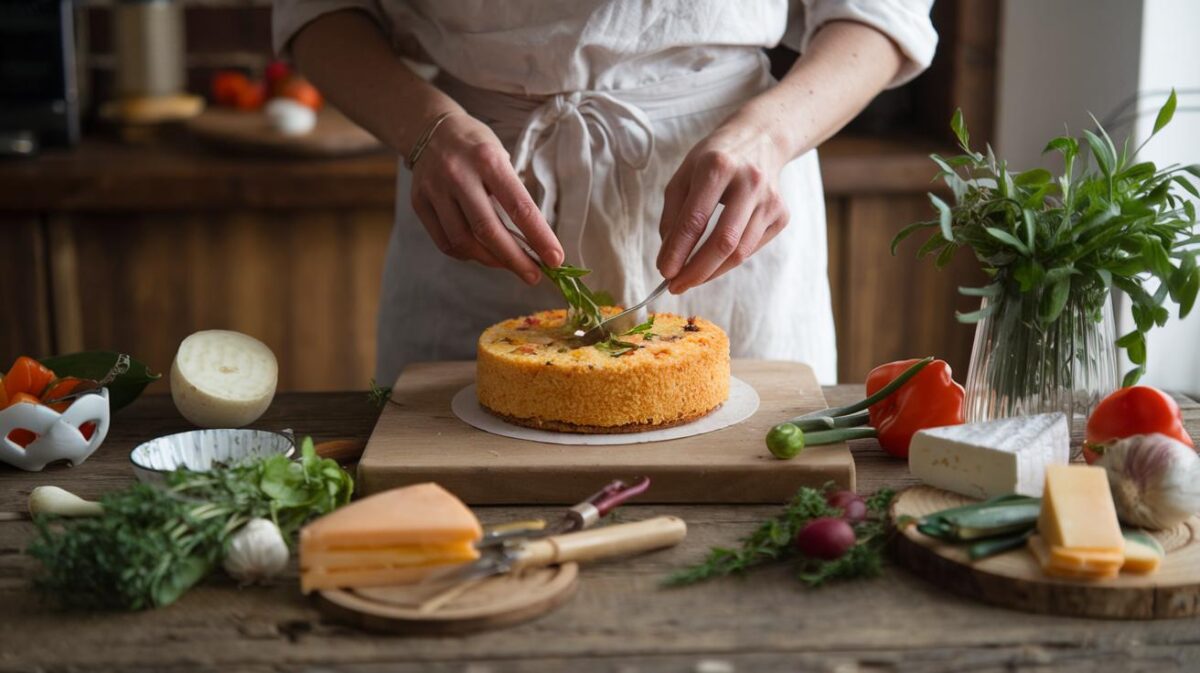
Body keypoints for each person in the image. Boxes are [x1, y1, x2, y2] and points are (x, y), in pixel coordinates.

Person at [273, 1, 937, 385]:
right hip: (473, 191)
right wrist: (427, 129)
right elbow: (317, 10)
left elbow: (880, 10)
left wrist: (772, 135)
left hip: (733, 191)